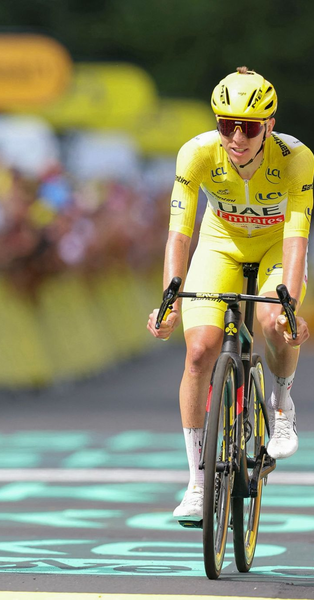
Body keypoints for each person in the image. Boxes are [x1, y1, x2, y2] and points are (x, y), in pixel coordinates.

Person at [147, 67, 313, 522]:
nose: (236, 137)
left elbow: (298, 237)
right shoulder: (197, 153)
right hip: (219, 244)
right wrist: (169, 300)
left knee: (271, 322)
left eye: (249, 127)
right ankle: (198, 484)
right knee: (199, 352)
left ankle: (281, 404)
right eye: (226, 124)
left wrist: (290, 304)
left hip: (277, 245)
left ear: (270, 126)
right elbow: (179, 235)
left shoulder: (297, 159)